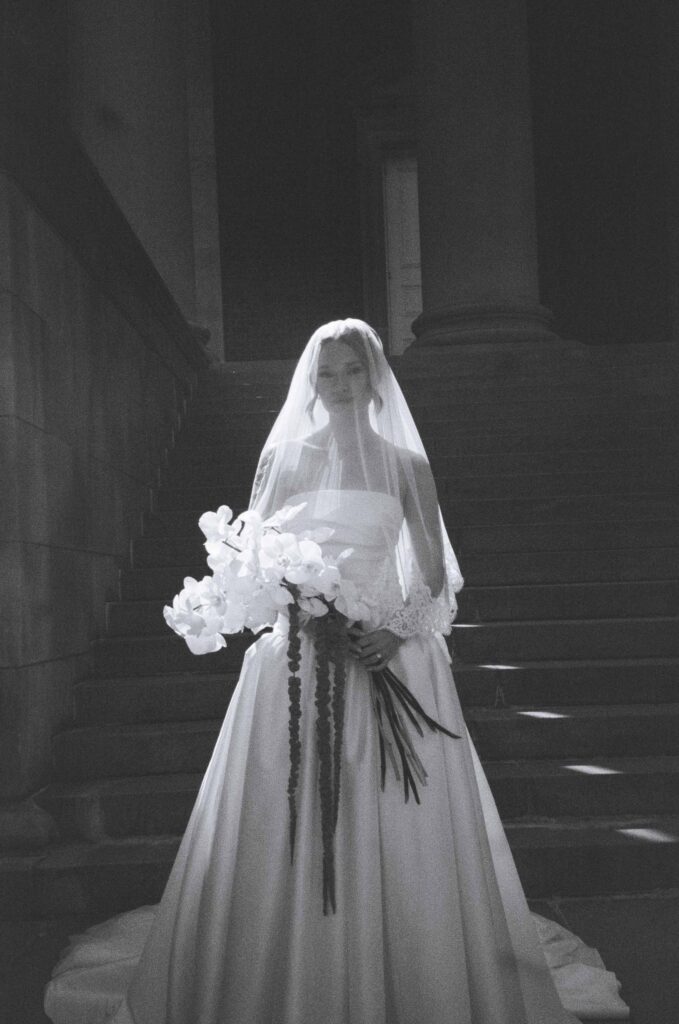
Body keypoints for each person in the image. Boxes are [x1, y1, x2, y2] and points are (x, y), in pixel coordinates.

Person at [45, 319, 628, 1023]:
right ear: (311, 382)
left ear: (376, 378)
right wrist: (287, 601)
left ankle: (411, 967)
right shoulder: (286, 460)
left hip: (384, 654)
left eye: (355, 371)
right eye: (329, 374)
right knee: (284, 813)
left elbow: (435, 575)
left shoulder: (406, 465)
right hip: (294, 659)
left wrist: (390, 629)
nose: (343, 385)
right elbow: (247, 555)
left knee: (395, 817)